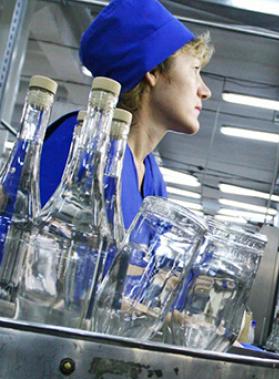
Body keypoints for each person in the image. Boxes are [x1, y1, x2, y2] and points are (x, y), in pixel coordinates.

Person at [40, 0, 213, 228]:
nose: (205, 91)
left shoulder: (153, 181)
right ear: (153, 70)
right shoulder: (83, 144)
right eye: (195, 70)